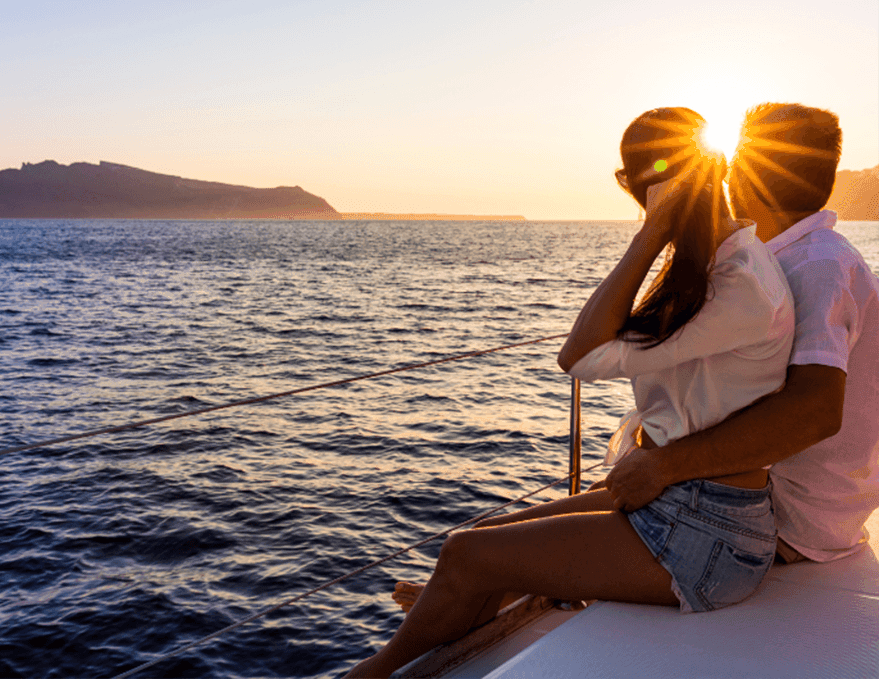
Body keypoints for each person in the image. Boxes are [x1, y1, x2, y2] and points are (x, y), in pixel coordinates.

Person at [345, 107, 795, 678]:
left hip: (709, 537)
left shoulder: (738, 284)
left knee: (466, 555)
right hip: (684, 504)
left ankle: (368, 674)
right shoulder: (719, 264)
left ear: (644, 188)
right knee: (484, 539)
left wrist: (652, 232)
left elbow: (577, 357)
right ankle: (448, 625)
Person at [603, 104, 879, 565]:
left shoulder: (817, 267)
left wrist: (663, 466)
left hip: (781, 517)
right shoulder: (796, 258)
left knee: (495, 552)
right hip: (769, 499)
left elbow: (815, 412)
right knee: (523, 536)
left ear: (742, 172)